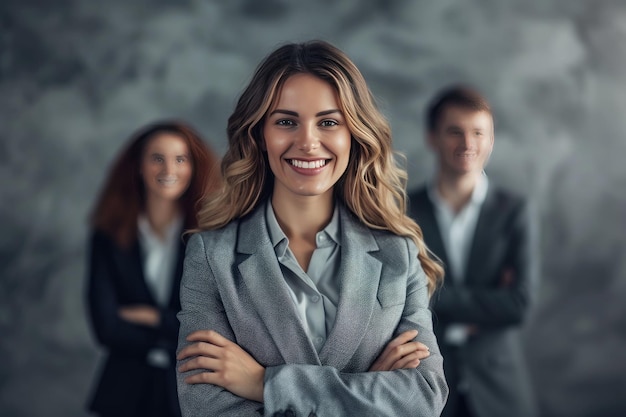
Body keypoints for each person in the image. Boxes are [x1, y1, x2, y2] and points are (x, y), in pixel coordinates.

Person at [175, 40, 448, 417]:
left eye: (329, 122)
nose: (307, 142)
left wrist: (263, 383)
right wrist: (367, 392)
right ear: (260, 135)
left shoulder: (398, 254)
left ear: (354, 134)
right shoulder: (210, 256)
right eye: (286, 121)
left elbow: (422, 398)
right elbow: (207, 409)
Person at [407, 85, 538, 417]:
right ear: (432, 138)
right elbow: (397, 299)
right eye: (455, 132)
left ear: (491, 140)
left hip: (500, 388)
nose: (468, 144)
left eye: (478, 133)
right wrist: (486, 302)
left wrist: (433, 294)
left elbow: (519, 304)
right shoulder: (404, 211)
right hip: (424, 384)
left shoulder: (514, 211)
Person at [86, 120, 221, 417]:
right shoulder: (108, 235)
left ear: (193, 166)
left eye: (180, 159)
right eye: (157, 158)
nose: (169, 170)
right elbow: (105, 327)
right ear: (138, 166)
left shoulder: (213, 237)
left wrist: (152, 317)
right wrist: (174, 327)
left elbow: (214, 327)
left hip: (193, 392)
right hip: (123, 392)